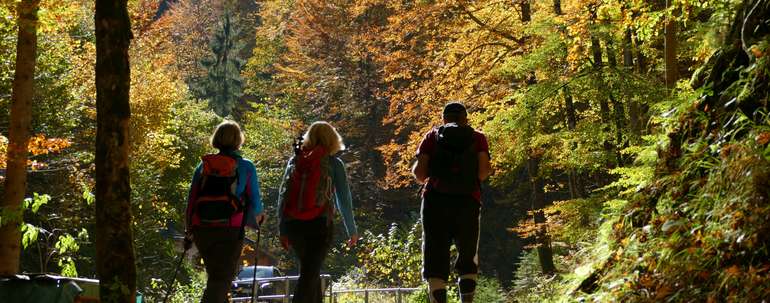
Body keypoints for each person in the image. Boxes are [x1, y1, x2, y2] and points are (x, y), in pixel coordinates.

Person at [412, 102, 492, 303]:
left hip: (435, 204)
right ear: (465, 118)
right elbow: (483, 173)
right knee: (468, 254)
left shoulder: (432, 137)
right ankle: (467, 300)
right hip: (468, 202)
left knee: (435, 256)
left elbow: (420, 174)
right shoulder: (478, 138)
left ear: (444, 119)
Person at [277, 121, 359, 303]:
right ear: (333, 140)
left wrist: (282, 228)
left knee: (309, 271)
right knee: (309, 272)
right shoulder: (334, 164)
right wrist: (351, 229)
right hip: (319, 224)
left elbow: (283, 196)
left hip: (293, 224)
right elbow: (344, 199)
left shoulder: (295, 160)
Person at [185, 120, 266, 303]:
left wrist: (189, 228)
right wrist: (258, 219)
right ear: (238, 140)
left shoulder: (204, 166)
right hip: (230, 229)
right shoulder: (246, 166)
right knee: (221, 279)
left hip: (202, 228)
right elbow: (255, 200)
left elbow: (192, 199)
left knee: (216, 277)